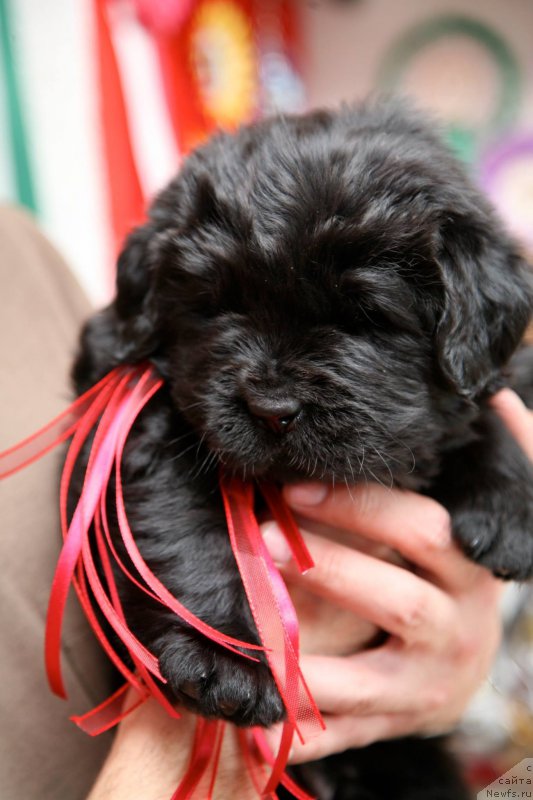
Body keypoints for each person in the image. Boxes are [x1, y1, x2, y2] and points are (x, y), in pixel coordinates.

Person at [1, 205, 527, 800]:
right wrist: (208, 624)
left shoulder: (23, 255)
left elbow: (484, 389)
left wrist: (460, 666)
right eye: (218, 313)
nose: (272, 394)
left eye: (360, 317)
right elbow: (124, 426)